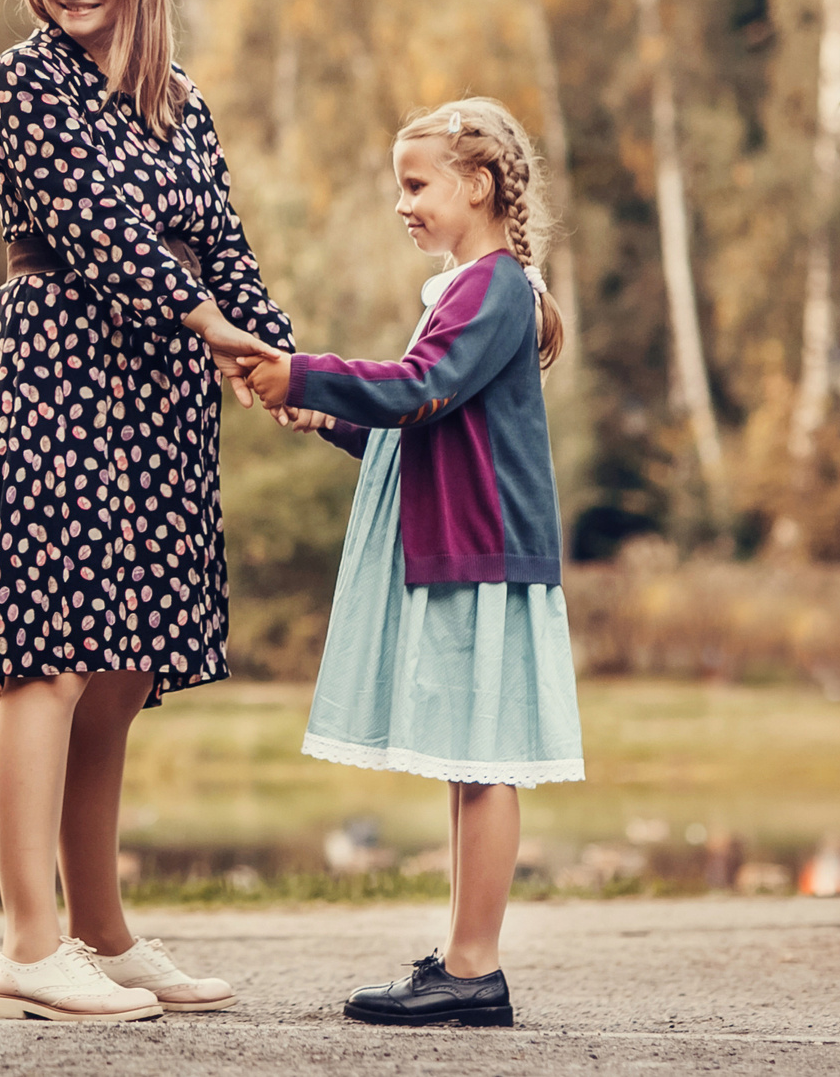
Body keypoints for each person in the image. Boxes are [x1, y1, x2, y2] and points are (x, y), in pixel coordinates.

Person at [0, 0, 292, 1023]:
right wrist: (212, 328)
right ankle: (29, 946)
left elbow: (223, 247)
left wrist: (292, 375)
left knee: (122, 670)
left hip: (158, 398)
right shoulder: (23, 83)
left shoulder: (179, 98)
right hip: (55, 378)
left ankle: (103, 934)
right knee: (48, 657)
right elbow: (103, 234)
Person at [223, 97, 582, 1030]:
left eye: (417, 185)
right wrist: (326, 412)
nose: (402, 204)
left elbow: (422, 389)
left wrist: (306, 371)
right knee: (470, 760)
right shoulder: (472, 288)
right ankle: (465, 959)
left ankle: (475, 966)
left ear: (479, 184)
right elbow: (418, 427)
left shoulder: (492, 288)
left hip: (484, 550)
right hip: (469, 545)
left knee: (485, 760)